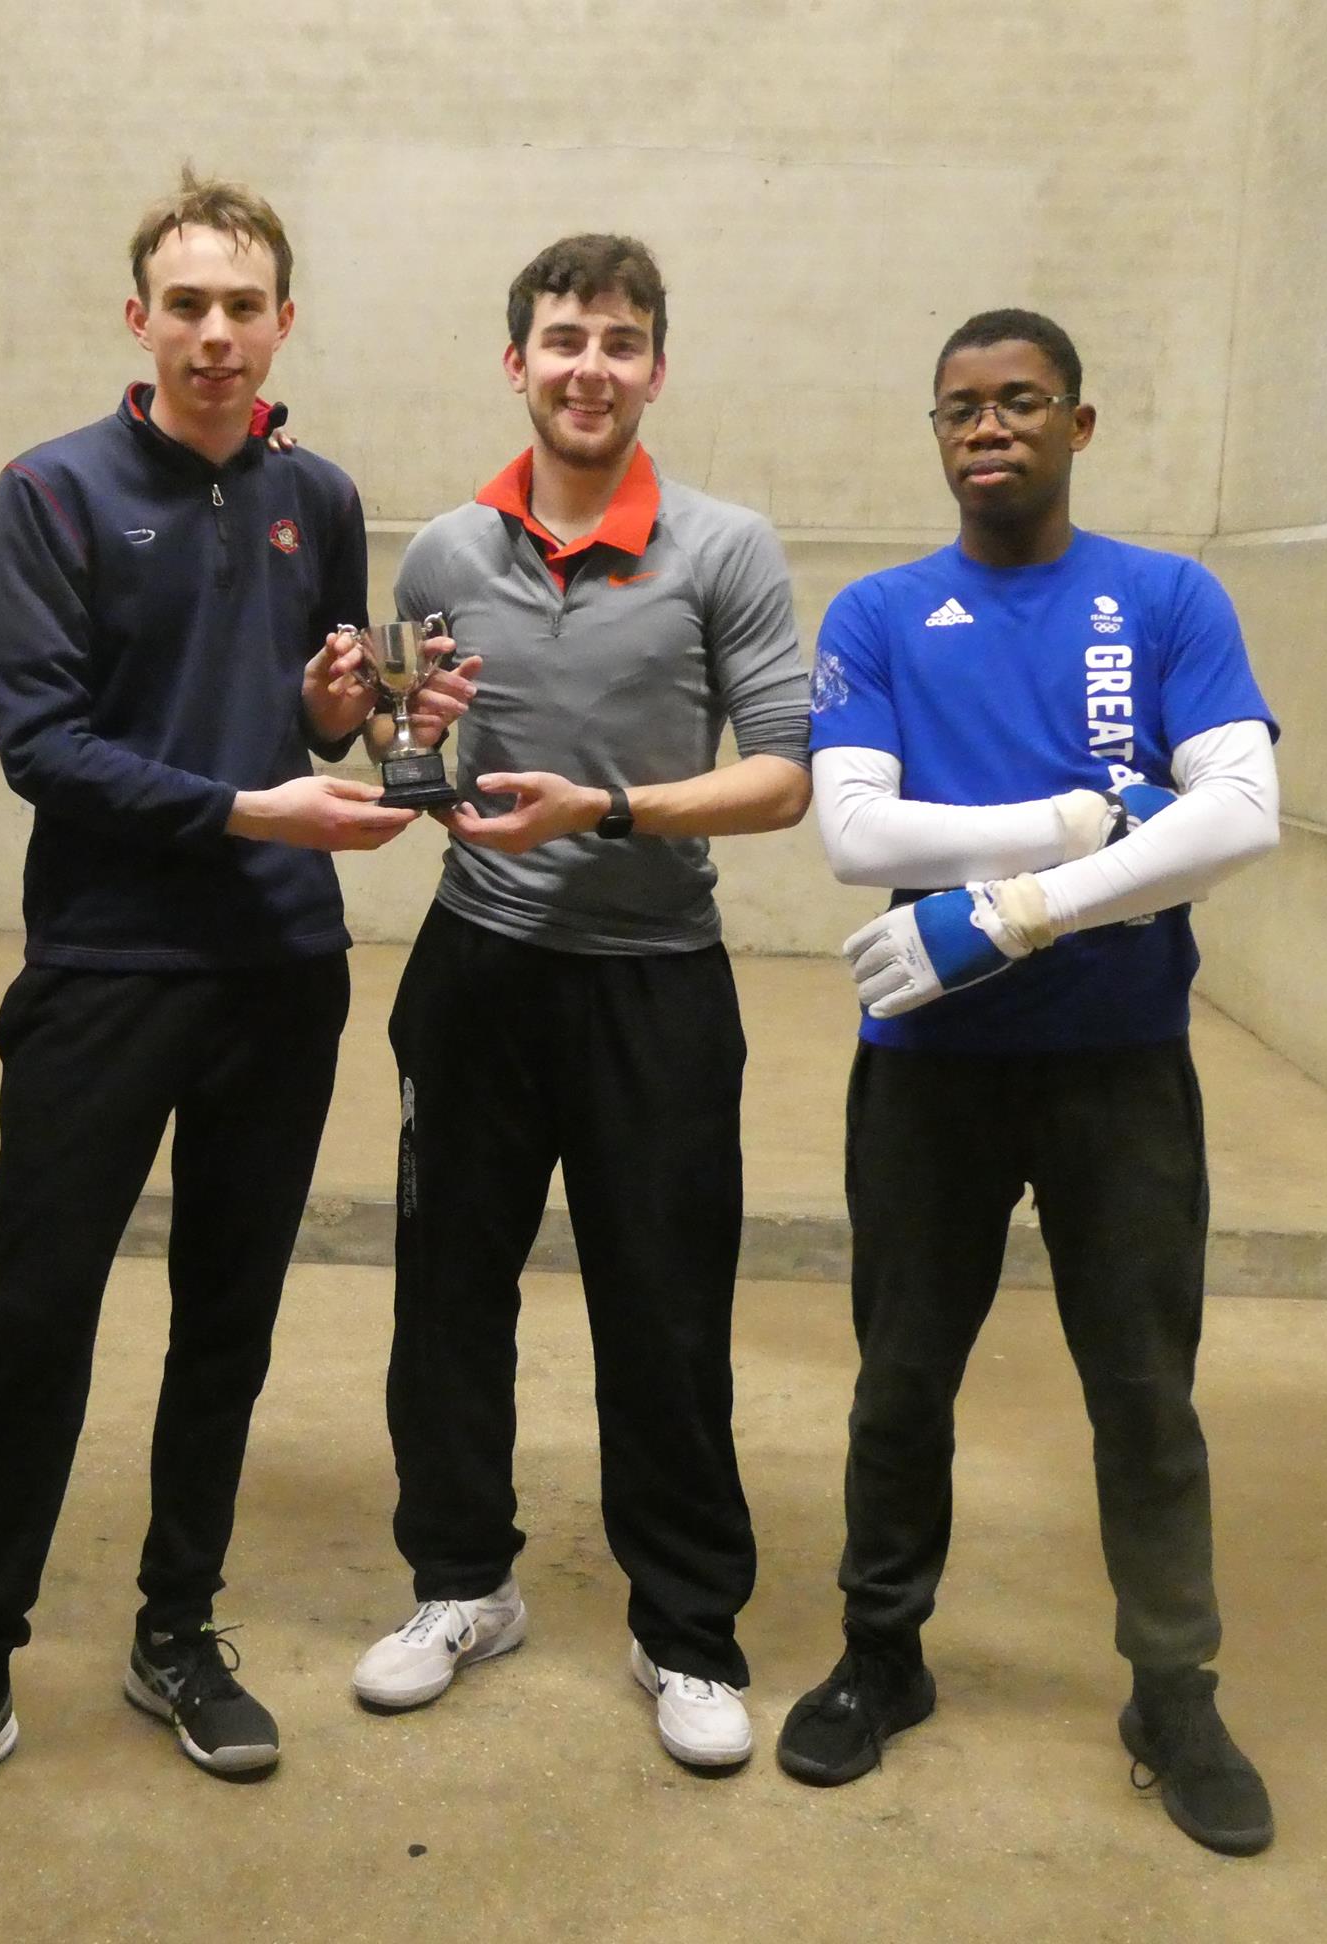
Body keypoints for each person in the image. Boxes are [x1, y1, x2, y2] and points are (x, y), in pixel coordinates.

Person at [0, 169, 462, 1845]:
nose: (213, 331)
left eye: (241, 304)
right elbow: (45, 748)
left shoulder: (318, 496)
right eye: (184, 303)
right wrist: (259, 803)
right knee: (38, 1319)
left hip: (281, 975)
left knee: (229, 1321)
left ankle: (176, 1632)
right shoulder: (51, 493)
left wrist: (334, 715)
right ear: (140, 320)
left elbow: (323, 718)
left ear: (282, 322)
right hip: (107, 973)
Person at [775, 308, 1282, 1856]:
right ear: (937, 434)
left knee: (1143, 1396)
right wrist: (1078, 829)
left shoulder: (1168, 596)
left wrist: (1020, 914)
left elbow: (1243, 808)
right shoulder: (875, 614)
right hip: (929, 1072)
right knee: (902, 1380)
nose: (986, 428)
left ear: (1079, 422)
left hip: (1120, 1068)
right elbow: (859, 837)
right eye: (958, 409)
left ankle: (1172, 1692)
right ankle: (883, 1656)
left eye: (1019, 402)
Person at [346, 234, 810, 1770]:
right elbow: (426, 761)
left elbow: (780, 779)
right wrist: (407, 753)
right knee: (448, 1295)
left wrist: (605, 810)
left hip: (656, 988)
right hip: (476, 976)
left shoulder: (724, 547)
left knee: (665, 1320)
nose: (588, 367)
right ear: (516, 363)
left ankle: (686, 1634)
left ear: (655, 368)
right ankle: (463, 1585)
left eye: (619, 341)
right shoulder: (441, 555)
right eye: (562, 339)